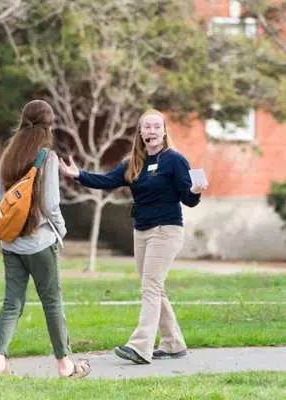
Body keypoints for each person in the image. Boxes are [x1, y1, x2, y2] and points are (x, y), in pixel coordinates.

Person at [59, 109, 208, 365]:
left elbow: (189, 199)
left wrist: (195, 190)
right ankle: (173, 343)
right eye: (146, 127)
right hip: (141, 231)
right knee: (155, 288)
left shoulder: (174, 160)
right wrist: (78, 175)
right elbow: (107, 181)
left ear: (164, 131)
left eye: (156, 126)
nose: (151, 131)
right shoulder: (133, 162)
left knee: (150, 287)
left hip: (166, 230)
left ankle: (140, 346)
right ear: (140, 132)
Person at [0, 100, 90, 378]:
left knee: (12, 302)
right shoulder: (47, 157)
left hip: (11, 243)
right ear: (49, 125)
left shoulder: (8, 154)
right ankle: (65, 365)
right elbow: (50, 203)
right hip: (39, 242)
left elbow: (2, 200)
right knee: (52, 302)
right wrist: (61, 231)